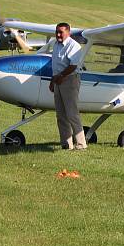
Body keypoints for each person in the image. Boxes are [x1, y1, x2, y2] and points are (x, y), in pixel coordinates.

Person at [50, 22, 86, 150]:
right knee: (60, 114)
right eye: (57, 32)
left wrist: (60, 76)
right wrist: (52, 81)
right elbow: (55, 64)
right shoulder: (56, 44)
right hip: (58, 80)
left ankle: (81, 144)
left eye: (61, 32)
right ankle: (66, 144)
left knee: (72, 113)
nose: (58, 35)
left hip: (70, 79)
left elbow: (73, 66)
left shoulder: (74, 46)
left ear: (68, 33)